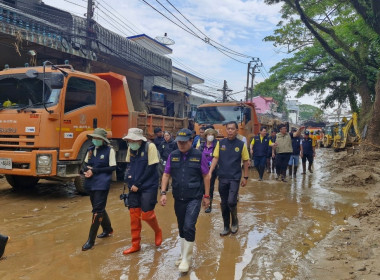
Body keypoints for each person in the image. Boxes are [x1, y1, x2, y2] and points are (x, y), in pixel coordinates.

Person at [160, 128, 210, 273]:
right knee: (182, 227)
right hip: (178, 196)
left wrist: (206, 196)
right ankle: (183, 255)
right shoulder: (173, 155)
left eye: (184, 142)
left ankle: (187, 259)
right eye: (179, 142)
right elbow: (166, 174)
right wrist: (163, 193)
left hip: (194, 197)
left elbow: (206, 176)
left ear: (190, 141)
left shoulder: (199, 155)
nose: (181, 145)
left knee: (189, 226)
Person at [122, 128, 162, 254]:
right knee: (134, 215)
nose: (130, 143)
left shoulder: (150, 147)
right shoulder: (131, 148)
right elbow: (129, 166)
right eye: (129, 140)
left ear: (140, 139)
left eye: (132, 140)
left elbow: (151, 168)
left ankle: (157, 231)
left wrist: (138, 184)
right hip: (133, 186)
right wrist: (128, 181)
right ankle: (135, 244)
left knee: (147, 215)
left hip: (149, 185)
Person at [209, 121, 250, 236]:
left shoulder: (241, 145)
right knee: (223, 203)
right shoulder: (220, 143)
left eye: (232, 129)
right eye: (228, 129)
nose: (230, 131)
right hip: (222, 177)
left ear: (237, 130)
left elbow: (246, 161)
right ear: (226, 130)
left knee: (231, 201)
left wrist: (245, 177)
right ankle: (226, 226)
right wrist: (210, 172)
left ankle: (235, 221)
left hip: (235, 178)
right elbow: (215, 158)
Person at [82, 128, 116, 251]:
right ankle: (108, 229)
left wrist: (94, 170)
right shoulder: (90, 150)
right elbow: (85, 164)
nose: (95, 140)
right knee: (99, 208)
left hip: (102, 184)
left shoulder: (109, 150)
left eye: (98, 139)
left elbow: (112, 167)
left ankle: (91, 240)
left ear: (103, 140)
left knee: (97, 211)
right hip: (91, 183)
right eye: (94, 138)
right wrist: (86, 171)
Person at [197, 128, 218, 213]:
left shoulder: (216, 145)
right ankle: (203, 202)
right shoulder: (202, 145)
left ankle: (209, 205)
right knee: (201, 186)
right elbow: (198, 155)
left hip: (212, 170)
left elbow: (217, 158)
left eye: (212, 135)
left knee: (210, 187)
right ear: (206, 136)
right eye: (209, 134)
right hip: (202, 170)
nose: (210, 136)